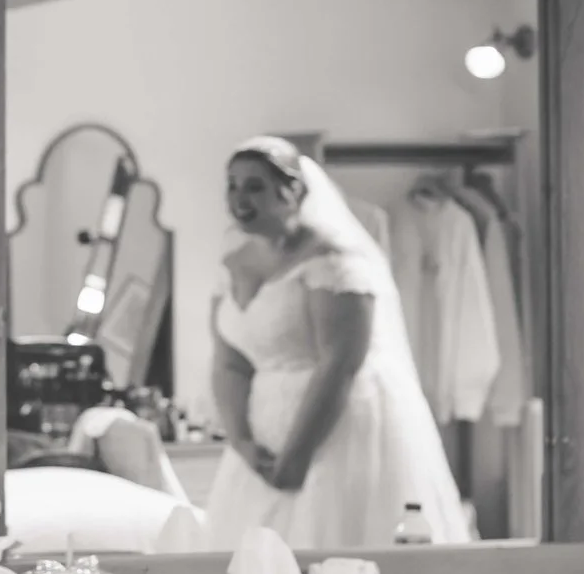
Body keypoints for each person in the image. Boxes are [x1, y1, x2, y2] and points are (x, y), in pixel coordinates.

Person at [200, 136, 469, 549]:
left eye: (254, 186)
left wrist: (297, 456)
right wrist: (241, 443)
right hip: (260, 434)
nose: (239, 198)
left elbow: (341, 361)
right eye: (232, 185)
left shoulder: (335, 259)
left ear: (292, 191)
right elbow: (228, 363)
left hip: (336, 429)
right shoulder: (232, 262)